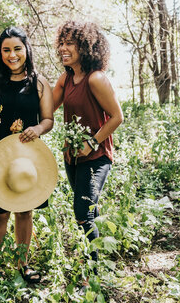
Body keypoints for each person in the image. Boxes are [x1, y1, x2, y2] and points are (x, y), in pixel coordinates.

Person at [0, 27, 54, 283]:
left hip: (26, 156)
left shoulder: (39, 82)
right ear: (0, 52)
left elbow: (49, 119)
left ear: (26, 50)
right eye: (6, 49)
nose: (12, 55)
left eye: (17, 48)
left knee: (24, 211)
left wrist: (39, 128)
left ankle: (23, 264)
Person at [52, 21, 123, 278]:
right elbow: (45, 108)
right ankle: (98, 254)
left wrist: (92, 142)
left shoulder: (96, 78)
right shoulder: (66, 78)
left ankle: (92, 274)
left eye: (69, 43)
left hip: (97, 157)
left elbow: (117, 117)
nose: (63, 48)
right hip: (71, 157)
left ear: (86, 46)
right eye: (62, 42)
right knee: (88, 210)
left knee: (83, 212)